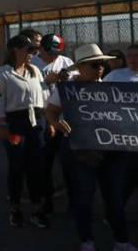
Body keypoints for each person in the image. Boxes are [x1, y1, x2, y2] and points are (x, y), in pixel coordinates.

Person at [45, 44, 137, 251]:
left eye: (102, 64)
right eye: (94, 65)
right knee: (84, 198)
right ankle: (87, 241)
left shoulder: (110, 87)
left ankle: (121, 241)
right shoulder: (68, 89)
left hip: (113, 151)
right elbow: (50, 111)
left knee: (114, 199)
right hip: (80, 152)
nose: (100, 69)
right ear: (80, 66)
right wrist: (56, 123)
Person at [0, 35, 51, 229]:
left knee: (36, 166)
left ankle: (36, 208)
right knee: (17, 165)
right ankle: (15, 207)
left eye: (34, 51)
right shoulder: (3, 73)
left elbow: (43, 96)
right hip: (15, 124)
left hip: (37, 123)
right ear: (16, 50)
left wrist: (49, 119)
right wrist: (2, 124)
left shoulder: (34, 71)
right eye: (29, 50)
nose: (32, 54)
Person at [31, 33, 75, 215]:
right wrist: (44, 82)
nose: (53, 56)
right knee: (45, 162)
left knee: (70, 164)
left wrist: (67, 79)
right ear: (40, 49)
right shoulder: (32, 64)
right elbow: (27, 90)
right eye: (49, 53)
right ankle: (46, 200)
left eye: (56, 52)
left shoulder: (65, 62)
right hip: (43, 116)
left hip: (65, 118)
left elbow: (78, 83)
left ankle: (74, 202)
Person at [103, 44, 138, 212]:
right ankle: (114, 212)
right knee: (127, 177)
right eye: (130, 55)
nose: (133, 58)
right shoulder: (115, 76)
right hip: (123, 136)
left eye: (136, 55)